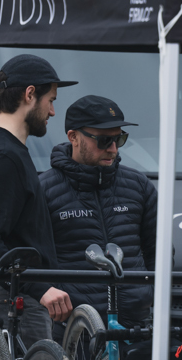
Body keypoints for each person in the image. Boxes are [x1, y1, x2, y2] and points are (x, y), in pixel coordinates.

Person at [0, 52, 78, 349]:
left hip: (13, 297)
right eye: (50, 100)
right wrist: (39, 288)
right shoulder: (4, 157)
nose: (53, 111)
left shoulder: (2, 150)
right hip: (10, 301)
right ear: (29, 94)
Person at [39, 94, 158, 323]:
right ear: (73, 137)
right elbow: (33, 258)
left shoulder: (139, 186)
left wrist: (150, 295)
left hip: (137, 323)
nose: (113, 149)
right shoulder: (43, 189)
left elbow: (158, 252)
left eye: (119, 139)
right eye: (104, 140)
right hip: (74, 329)